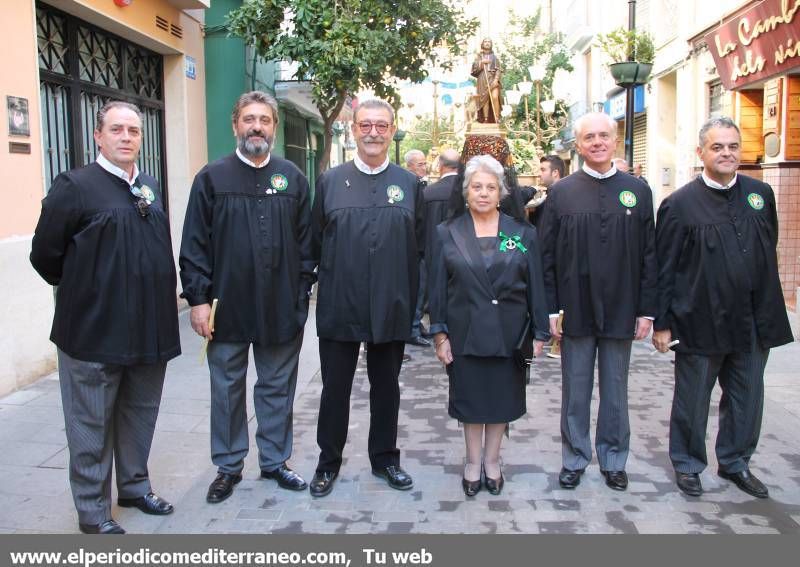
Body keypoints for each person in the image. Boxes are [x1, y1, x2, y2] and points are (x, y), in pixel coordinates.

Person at [30, 101, 180, 534]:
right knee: (90, 423)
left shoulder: (147, 185)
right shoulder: (74, 186)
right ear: (99, 136)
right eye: (117, 130)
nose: (127, 137)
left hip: (148, 331)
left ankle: (134, 485)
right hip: (93, 331)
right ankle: (93, 511)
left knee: (139, 413)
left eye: (133, 130)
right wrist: (87, 288)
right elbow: (45, 255)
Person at [179, 91, 313, 504]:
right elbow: (194, 244)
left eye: (265, 120)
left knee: (276, 387)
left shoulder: (292, 178)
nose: (257, 126)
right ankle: (229, 465)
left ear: (273, 127)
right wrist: (198, 300)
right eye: (249, 119)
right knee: (227, 389)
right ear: (235, 125)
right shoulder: (212, 178)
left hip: (279, 308)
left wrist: (301, 292)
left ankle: (274, 461)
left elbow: (308, 244)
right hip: (225, 309)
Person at [653, 117, 794, 499]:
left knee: (747, 397)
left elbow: (769, 245)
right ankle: (687, 464)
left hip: (753, 319)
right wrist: (662, 324)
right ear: (701, 153)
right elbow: (664, 270)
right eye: (718, 147)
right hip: (700, 320)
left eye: (733, 146)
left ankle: (735, 462)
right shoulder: (679, 205)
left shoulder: (760, 194)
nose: (727, 153)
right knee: (693, 399)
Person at [310, 99, 425, 497]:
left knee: (387, 388)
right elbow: (313, 242)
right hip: (340, 305)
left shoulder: (410, 185)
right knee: (334, 390)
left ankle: (385, 459)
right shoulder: (329, 181)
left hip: (391, 305)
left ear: (392, 130)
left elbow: (421, 248)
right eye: (366, 125)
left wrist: (418, 303)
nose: (373, 132)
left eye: (381, 125)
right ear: (354, 130)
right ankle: (328, 463)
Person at [539, 112, 657, 492]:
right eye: (589, 137)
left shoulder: (637, 191)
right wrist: (552, 309)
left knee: (616, 389)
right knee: (575, 389)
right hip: (575, 308)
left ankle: (613, 458)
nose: (597, 142)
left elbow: (649, 255)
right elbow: (547, 256)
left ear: (616, 137)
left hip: (623, 308)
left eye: (604, 135)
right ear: (578, 145)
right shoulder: (562, 193)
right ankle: (575, 458)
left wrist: (646, 309)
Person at [429, 155, 549, 496]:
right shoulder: (446, 233)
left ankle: (493, 461)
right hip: (464, 331)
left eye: (491, 187)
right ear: (466, 192)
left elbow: (536, 284)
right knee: (471, 400)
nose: (483, 193)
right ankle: (471, 461)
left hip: (509, 333)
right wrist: (440, 334)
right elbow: (437, 289)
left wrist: (540, 331)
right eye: (477, 187)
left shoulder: (522, 232)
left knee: (501, 400)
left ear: (502, 193)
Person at [405, 149, 432, 347]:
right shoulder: (409, 186)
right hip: (413, 249)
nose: (425, 167)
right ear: (410, 166)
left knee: (422, 290)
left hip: (422, 247)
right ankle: (412, 329)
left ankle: (417, 326)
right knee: (418, 289)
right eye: (420, 164)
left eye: (424, 163)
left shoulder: (422, 185)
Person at [526, 154, 565, 227]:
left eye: (543, 170)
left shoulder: (563, 198)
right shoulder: (546, 196)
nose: (539, 174)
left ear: (555, 173)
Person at [471, 38, 503, 123]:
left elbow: (498, 70)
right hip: (482, 79)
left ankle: (497, 117)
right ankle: (485, 119)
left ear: (491, 44)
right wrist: (481, 62)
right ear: (482, 44)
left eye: (489, 42)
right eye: (485, 42)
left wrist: (496, 80)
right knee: (484, 99)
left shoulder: (495, 57)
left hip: (492, 79)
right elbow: (474, 69)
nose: (487, 43)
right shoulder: (479, 57)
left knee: (495, 96)